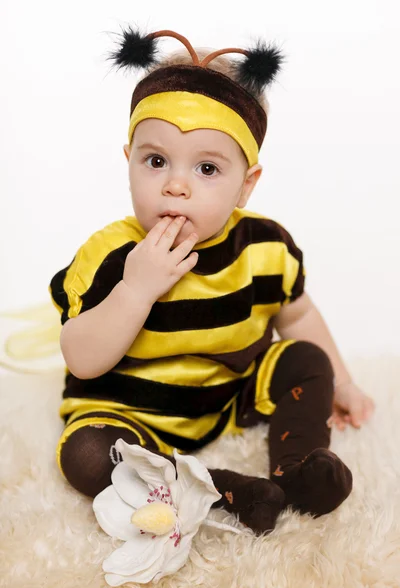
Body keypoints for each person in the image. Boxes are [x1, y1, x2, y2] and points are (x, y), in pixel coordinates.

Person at [49, 27, 375, 535]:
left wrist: (345, 381)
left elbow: (299, 315)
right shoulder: (110, 255)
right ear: (129, 161)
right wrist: (136, 290)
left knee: (307, 361)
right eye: (155, 161)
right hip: (131, 411)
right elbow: (82, 359)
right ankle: (225, 490)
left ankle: (297, 469)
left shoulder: (265, 247)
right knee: (86, 455)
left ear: (246, 184)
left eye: (206, 168)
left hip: (228, 394)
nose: (175, 185)